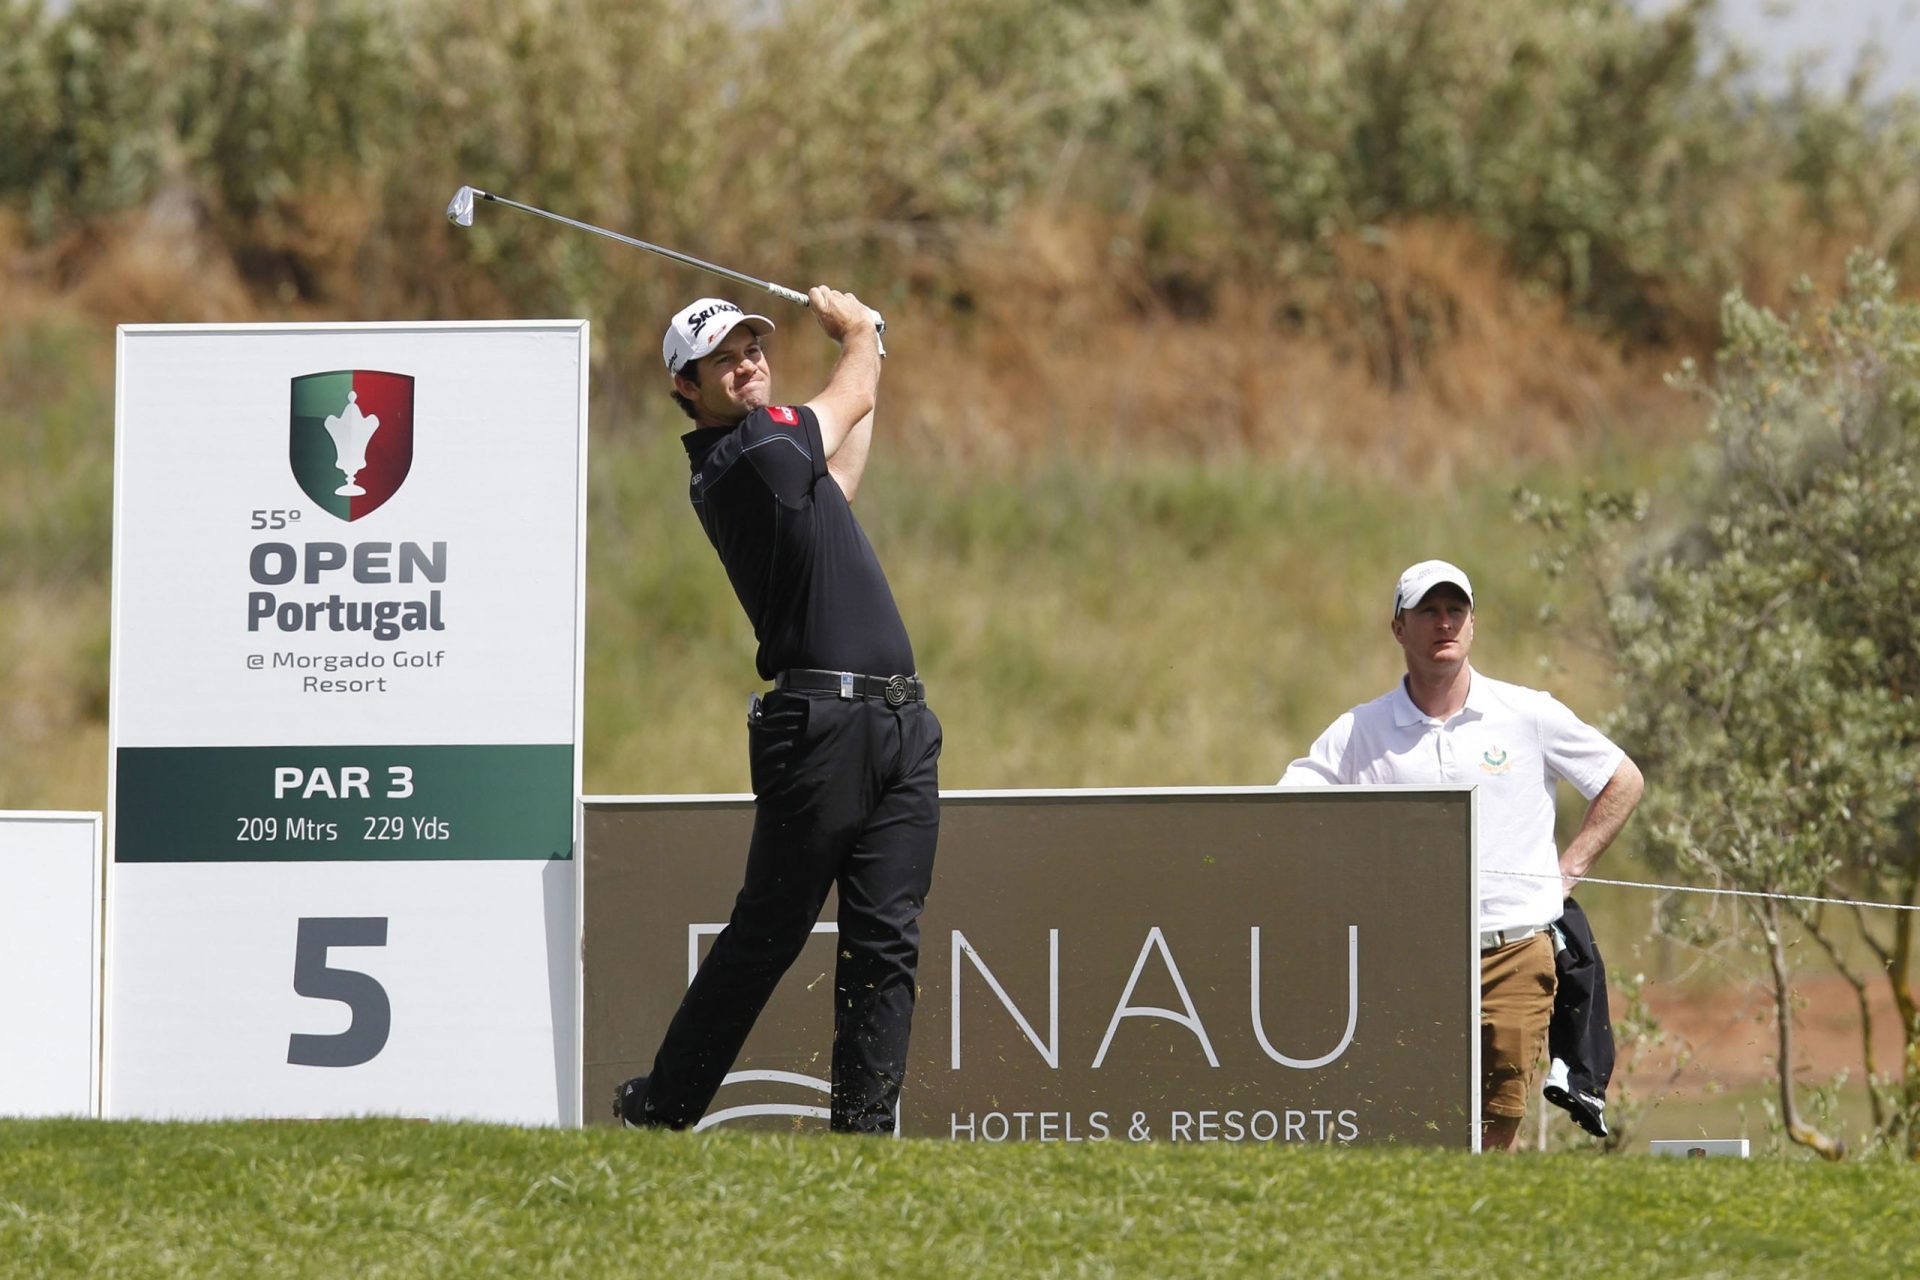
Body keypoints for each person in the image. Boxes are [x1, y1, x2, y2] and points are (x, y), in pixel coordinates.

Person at [615, 290, 941, 1135]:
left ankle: (864, 1142)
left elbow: (842, 471)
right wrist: (863, 334)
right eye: (721, 359)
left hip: (901, 726)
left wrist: (878, 351)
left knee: (886, 940)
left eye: (751, 348)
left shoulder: (782, 456)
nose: (745, 364)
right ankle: (661, 1108)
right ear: (687, 389)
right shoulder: (749, 448)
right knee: (769, 932)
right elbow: (849, 396)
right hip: (820, 729)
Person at [1278, 559, 1643, 1151]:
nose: (1444, 623)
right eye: (1428, 611)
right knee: (1405, 1116)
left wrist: (1566, 874)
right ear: (1399, 628)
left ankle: (1473, 1228)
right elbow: (1287, 812)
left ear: (1473, 625)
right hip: (1402, 960)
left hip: (1514, 951)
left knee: (1495, 1123)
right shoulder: (1360, 731)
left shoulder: (1526, 713)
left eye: (1456, 611)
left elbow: (1621, 780)